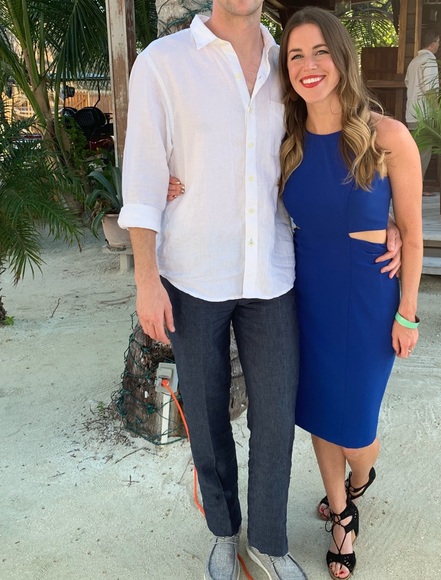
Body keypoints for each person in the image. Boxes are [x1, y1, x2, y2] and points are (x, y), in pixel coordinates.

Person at [119, 1, 401, 579]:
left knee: (275, 418)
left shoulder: (288, 66)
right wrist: (146, 280)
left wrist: (385, 216)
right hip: (192, 274)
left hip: (272, 275)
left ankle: (269, 543)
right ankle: (224, 534)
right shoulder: (162, 63)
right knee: (206, 416)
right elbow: (143, 179)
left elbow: (333, 144)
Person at [277, 7, 423, 580]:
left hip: (369, 294)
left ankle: (360, 477)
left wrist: (408, 312)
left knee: (358, 428)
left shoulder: (387, 136)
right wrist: (171, 181)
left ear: (341, 58)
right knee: (319, 410)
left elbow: (412, 234)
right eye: (295, 55)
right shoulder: (286, 140)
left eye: (320, 52)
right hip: (307, 290)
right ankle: (342, 515)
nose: (308, 65)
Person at [404, 29, 440, 195]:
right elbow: (429, 89)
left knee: (415, 151)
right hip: (424, 113)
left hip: (411, 112)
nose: (438, 45)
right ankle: (417, 188)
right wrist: (438, 111)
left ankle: (412, 187)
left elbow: (407, 83)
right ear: (433, 43)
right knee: (423, 153)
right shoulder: (429, 61)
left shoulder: (414, 61)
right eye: (438, 42)